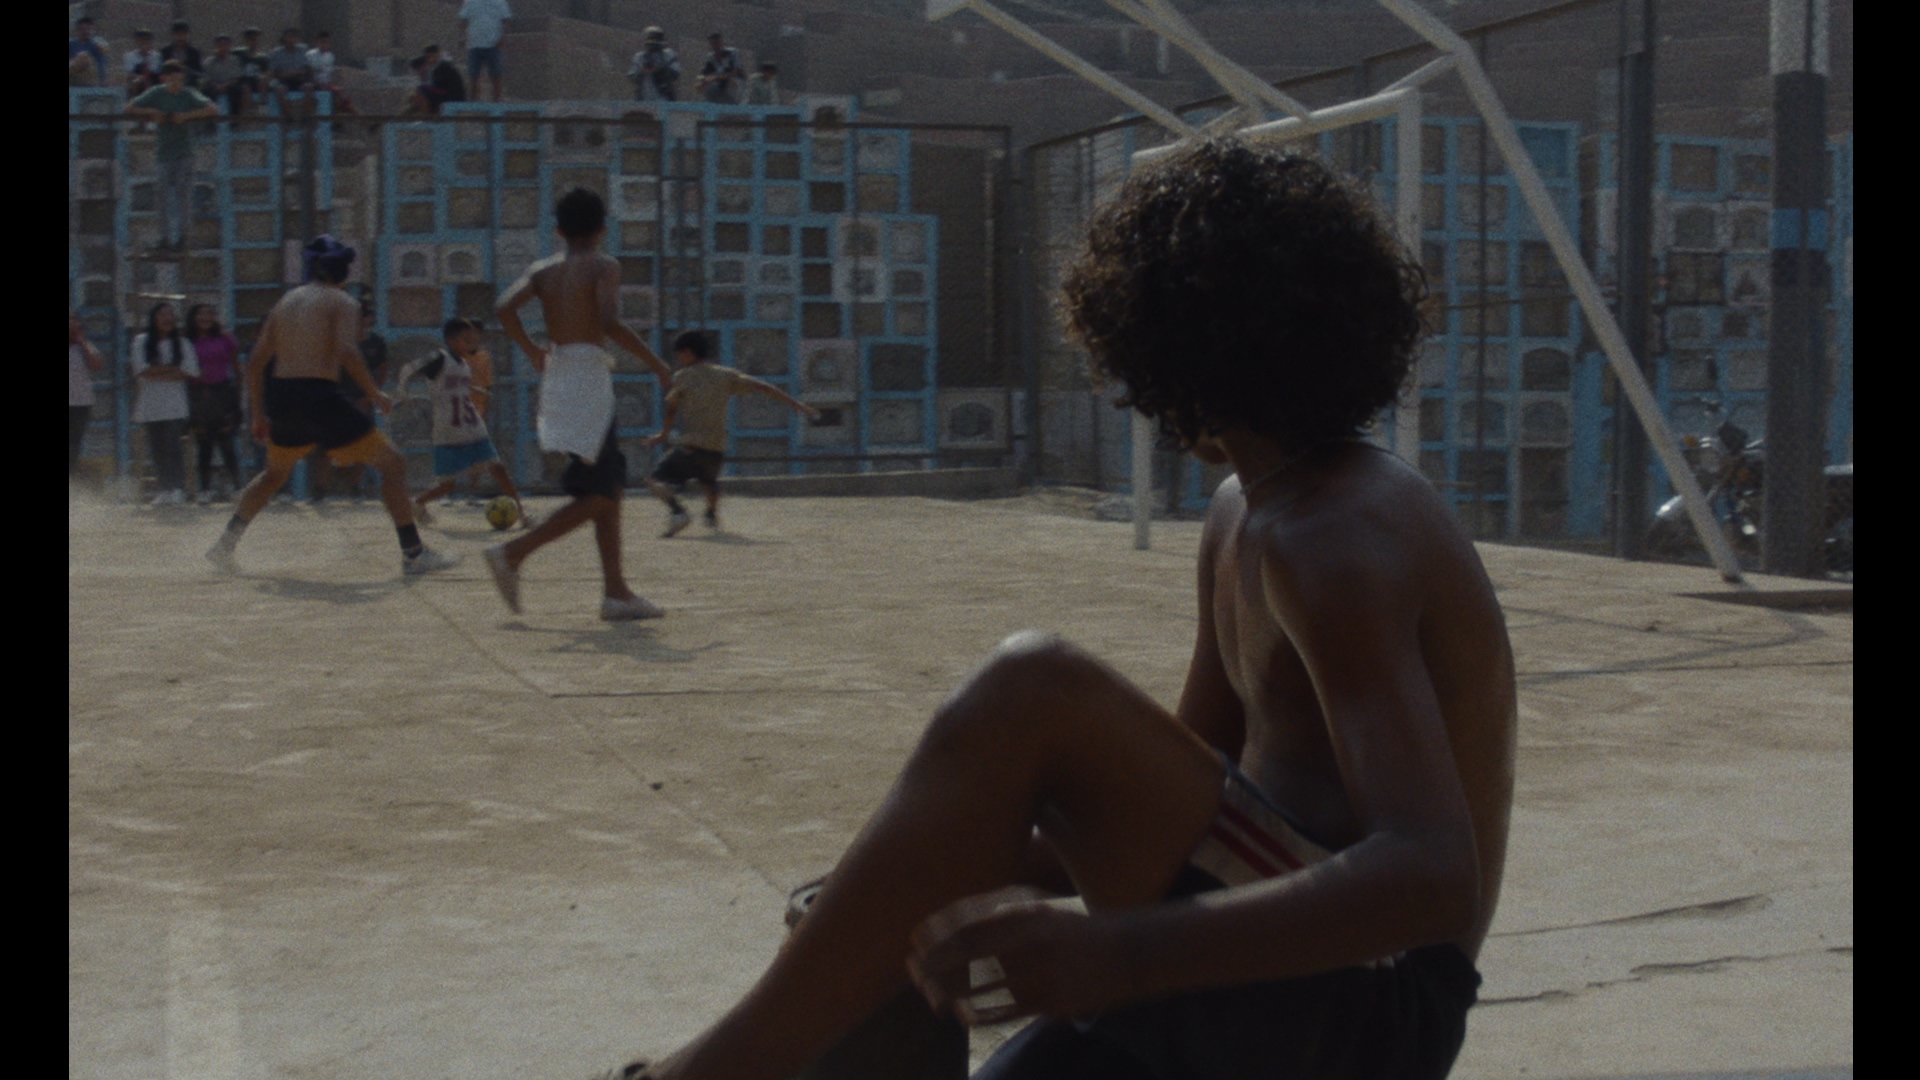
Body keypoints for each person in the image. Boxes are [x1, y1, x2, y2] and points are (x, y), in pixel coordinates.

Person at [600, 141, 1513, 1080]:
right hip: (1262, 968)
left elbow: (1432, 877)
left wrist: (1110, 955)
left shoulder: (1337, 536)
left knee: (1029, 689)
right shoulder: (1248, 508)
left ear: (1167, 349)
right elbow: (1172, 787)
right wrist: (901, 897)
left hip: (1371, 1007)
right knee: (887, 943)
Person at [204, 236, 459, 576]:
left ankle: (224, 546)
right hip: (319, 396)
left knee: (273, 475)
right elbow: (346, 350)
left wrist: (259, 414)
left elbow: (254, 363)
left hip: (282, 397)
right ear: (342, 270)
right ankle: (413, 553)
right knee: (394, 464)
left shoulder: (285, 302)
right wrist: (375, 392)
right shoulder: (341, 302)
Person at [486, 188, 675, 621]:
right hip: (589, 377)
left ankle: (616, 592)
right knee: (604, 493)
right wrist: (656, 363)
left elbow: (503, 308)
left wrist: (533, 349)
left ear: (558, 229)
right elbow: (608, 321)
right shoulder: (604, 265)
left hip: (560, 375)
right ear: (602, 228)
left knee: (606, 488)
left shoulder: (542, 270)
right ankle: (513, 553)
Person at [645, 330, 818, 536]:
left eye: (679, 355)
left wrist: (663, 434)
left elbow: (671, 407)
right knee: (709, 481)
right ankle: (710, 514)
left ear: (688, 353)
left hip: (691, 446)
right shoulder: (725, 374)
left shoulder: (683, 376)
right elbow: (761, 386)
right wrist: (794, 403)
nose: (679, 360)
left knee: (655, 479)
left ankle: (677, 511)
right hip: (716, 448)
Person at [396, 318, 529, 526]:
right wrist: (402, 393)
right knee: (447, 485)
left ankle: (522, 512)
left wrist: (475, 390)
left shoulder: (465, 365)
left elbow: (456, 390)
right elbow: (408, 369)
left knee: (498, 467)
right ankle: (418, 503)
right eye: (466, 339)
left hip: (472, 426)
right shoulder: (439, 359)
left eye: (473, 339)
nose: (472, 344)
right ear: (451, 340)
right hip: (448, 431)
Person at [126, 62, 219, 255]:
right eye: (173, 79)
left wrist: (186, 116)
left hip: (185, 151)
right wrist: (152, 113)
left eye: (179, 79)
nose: (176, 83)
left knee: (183, 195)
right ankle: (164, 238)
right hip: (164, 152)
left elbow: (212, 109)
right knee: (161, 195)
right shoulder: (157, 93)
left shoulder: (188, 94)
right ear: (164, 78)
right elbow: (129, 108)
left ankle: (184, 238)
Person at [130, 302, 199, 506]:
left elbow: (190, 371)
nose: (167, 319)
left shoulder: (183, 342)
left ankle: (177, 488)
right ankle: (164, 489)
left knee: (172, 446)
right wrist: (172, 370)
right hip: (150, 405)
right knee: (157, 448)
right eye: (162, 315)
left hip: (175, 405)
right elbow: (141, 370)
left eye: (170, 315)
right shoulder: (141, 341)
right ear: (153, 318)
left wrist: (157, 371)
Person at [186, 304, 244, 503]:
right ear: (193, 318)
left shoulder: (226, 338)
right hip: (199, 392)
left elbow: (236, 368)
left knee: (226, 440)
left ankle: (238, 487)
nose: (205, 318)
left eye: (208, 313)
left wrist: (238, 394)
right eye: (200, 314)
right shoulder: (187, 341)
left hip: (222, 391)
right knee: (204, 443)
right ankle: (205, 489)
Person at [70, 312, 106, 478]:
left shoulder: (83, 347)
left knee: (74, 444)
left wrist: (82, 341)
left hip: (80, 403)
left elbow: (97, 365)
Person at [460, 0, 512, 103]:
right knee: (474, 74)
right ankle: (474, 99)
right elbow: (463, 21)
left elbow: (506, 21)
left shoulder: (500, 2)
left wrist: (503, 38)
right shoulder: (470, 2)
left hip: (493, 44)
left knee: (496, 73)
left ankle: (497, 98)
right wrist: (463, 37)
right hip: (474, 44)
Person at [304, 30, 355, 113]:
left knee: (341, 97)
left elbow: (331, 73)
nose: (325, 45)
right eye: (323, 42)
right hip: (317, 84)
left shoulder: (330, 56)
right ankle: (363, 121)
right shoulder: (311, 55)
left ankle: (339, 118)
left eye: (327, 42)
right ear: (317, 42)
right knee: (340, 96)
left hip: (328, 84)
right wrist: (317, 85)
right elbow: (310, 73)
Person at [200, 34, 249, 115]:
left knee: (237, 90)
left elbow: (237, 78)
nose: (223, 48)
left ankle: (235, 119)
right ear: (216, 47)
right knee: (207, 91)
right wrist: (216, 85)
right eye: (220, 45)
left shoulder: (235, 61)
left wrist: (225, 86)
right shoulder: (209, 62)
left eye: (226, 45)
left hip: (230, 85)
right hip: (214, 85)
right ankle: (210, 120)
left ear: (229, 46)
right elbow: (206, 78)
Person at [265, 27, 313, 109]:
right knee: (280, 90)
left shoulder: (303, 50)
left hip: (300, 79)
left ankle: (304, 115)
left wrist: (297, 73)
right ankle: (288, 116)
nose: (291, 40)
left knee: (309, 87)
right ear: (284, 39)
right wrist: (290, 74)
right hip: (284, 80)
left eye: (293, 37)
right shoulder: (276, 53)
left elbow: (307, 68)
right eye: (288, 37)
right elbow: (275, 73)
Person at [627, 28, 679, 103]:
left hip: (663, 99)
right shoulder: (639, 57)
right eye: (650, 38)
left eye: (655, 38)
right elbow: (632, 76)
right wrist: (641, 71)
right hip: (644, 99)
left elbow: (675, 73)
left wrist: (659, 69)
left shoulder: (668, 55)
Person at [696, 32, 743, 105]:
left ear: (722, 43)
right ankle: (712, 110)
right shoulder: (710, 58)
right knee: (707, 87)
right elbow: (703, 74)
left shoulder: (732, 53)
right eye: (712, 43)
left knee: (733, 83)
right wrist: (701, 81)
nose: (715, 46)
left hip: (733, 81)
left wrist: (716, 77)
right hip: (718, 83)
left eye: (717, 43)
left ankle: (735, 109)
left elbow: (735, 72)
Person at [159, 20, 202, 88]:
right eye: (177, 34)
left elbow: (199, 73)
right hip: (168, 84)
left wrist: (185, 69)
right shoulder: (165, 52)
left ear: (188, 35)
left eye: (183, 34)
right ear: (172, 35)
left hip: (189, 84)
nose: (180, 37)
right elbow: (161, 70)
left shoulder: (194, 53)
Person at [235, 27, 271, 107]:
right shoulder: (239, 54)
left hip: (256, 81)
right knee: (245, 88)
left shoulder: (262, 58)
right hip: (243, 80)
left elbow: (267, 72)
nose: (252, 42)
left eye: (255, 39)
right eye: (250, 39)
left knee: (262, 80)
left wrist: (264, 76)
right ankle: (246, 114)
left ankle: (263, 104)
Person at [69, 18, 109, 87]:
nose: (85, 31)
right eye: (82, 29)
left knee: (83, 56)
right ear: (77, 31)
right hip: (75, 73)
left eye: (88, 29)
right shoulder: (71, 43)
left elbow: (105, 50)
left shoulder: (98, 41)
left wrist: (96, 43)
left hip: (94, 75)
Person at [123, 29, 163, 97]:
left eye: (147, 40)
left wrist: (144, 77)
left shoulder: (156, 56)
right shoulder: (129, 56)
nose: (144, 42)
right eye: (141, 40)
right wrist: (141, 78)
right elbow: (130, 73)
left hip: (152, 79)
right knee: (135, 83)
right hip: (136, 79)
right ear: (137, 41)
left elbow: (154, 72)